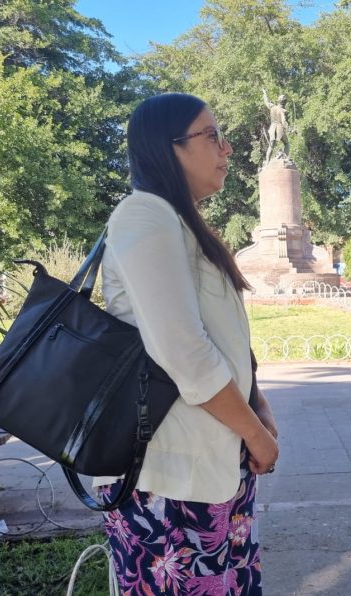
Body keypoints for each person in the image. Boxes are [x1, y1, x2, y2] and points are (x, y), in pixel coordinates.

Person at [94, 93, 279, 594]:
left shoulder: (178, 221)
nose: (228, 148)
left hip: (211, 466)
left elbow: (224, 337)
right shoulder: (144, 215)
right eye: (212, 135)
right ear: (168, 148)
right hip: (168, 479)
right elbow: (183, 350)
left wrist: (256, 407)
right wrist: (257, 434)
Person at [262, 89, 289, 163]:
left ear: (278, 101)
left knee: (271, 146)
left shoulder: (272, 107)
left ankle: (267, 162)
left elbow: (266, 102)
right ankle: (285, 159)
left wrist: (265, 93)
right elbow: (284, 121)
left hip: (272, 127)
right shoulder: (283, 111)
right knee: (286, 144)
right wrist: (289, 129)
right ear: (285, 103)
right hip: (279, 128)